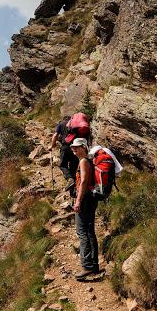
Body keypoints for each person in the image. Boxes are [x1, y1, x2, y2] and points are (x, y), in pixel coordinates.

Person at [70, 137, 100, 280]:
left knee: (82, 232)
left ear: (84, 147)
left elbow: (83, 181)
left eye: (76, 147)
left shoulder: (83, 161)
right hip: (90, 198)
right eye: (72, 148)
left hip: (85, 199)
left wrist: (78, 201)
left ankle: (87, 266)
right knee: (89, 231)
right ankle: (94, 265)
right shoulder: (88, 160)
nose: (74, 150)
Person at [50, 116, 78, 192]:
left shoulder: (61, 124)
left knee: (62, 165)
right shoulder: (76, 124)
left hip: (65, 147)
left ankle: (70, 179)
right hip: (76, 148)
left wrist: (52, 145)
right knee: (73, 168)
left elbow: (55, 135)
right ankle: (74, 190)